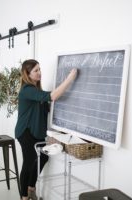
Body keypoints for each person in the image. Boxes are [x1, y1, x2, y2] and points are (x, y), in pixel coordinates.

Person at [15, 59, 77, 200]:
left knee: (43, 156)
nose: (39, 73)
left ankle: (31, 188)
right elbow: (53, 96)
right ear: (27, 74)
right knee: (29, 162)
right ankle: (24, 197)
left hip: (36, 132)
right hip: (25, 132)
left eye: (39, 69)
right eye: (36, 70)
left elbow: (47, 107)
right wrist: (69, 79)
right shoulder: (27, 90)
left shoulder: (37, 91)